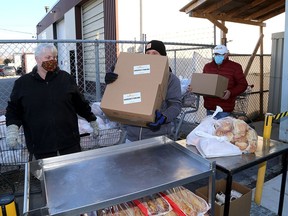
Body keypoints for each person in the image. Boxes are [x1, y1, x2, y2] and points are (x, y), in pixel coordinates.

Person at [5, 43, 99, 160]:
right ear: (37, 59)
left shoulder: (66, 79)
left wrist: (92, 120)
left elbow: (80, 103)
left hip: (69, 142)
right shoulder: (23, 83)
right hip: (40, 144)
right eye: (48, 57)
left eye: (54, 57)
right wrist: (12, 128)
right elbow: (14, 109)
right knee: (47, 176)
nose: (52, 60)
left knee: (74, 174)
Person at [105, 40, 182, 142]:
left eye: (155, 53)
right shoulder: (135, 74)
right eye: (148, 53)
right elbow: (121, 92)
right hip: (132, 136)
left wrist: (164, 117)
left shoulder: (171, 79)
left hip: (158, 138)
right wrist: (113, 81)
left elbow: (175, 105)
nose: (151, 56)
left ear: (163, 56)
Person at [190, 44, 248, 119]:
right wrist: (194, 87)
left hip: (225, 108)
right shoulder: (208, 67)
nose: (217, 56)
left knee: (223, 129)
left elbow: (243, 84)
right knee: (211, 129)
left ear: (227, 54)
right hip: (210, 107)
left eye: (220, 54)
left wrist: (230, 92)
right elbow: (204, 83)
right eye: (216, 54)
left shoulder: (235, 67)